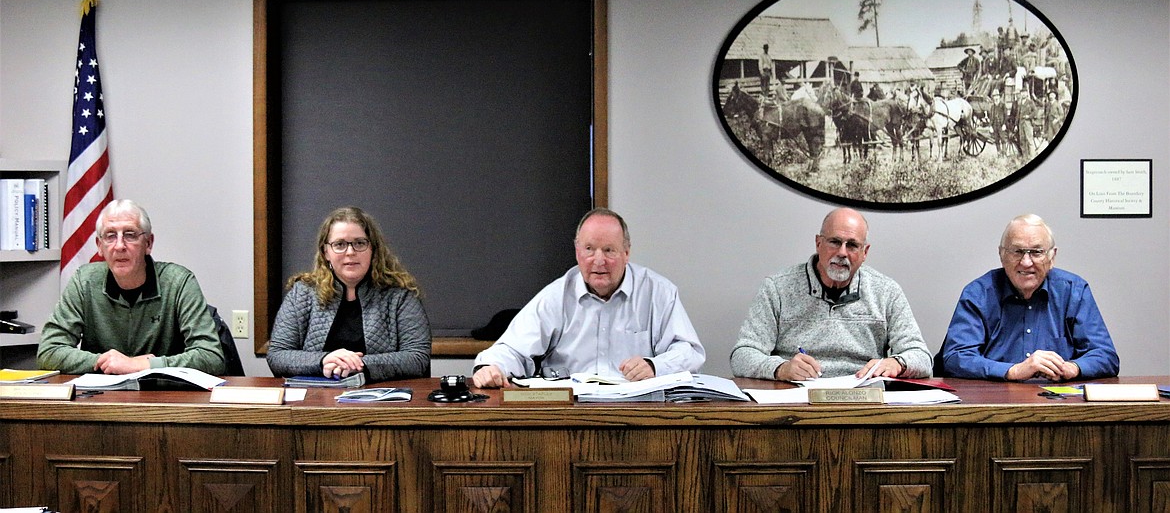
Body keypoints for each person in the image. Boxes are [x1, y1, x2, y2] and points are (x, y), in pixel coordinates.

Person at [471, 207, 705, 388]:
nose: (598, 260)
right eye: (589, 249)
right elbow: (511, 349)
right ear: (577, 252)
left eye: (609, 250)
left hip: (638, 414)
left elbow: (690, 352)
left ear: (626, 253)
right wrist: (491, 367)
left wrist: (655, 366)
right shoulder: (557, 295)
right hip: (571, 416)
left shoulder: (658, 293)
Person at [730, 207, 932, 381]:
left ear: (865, 252)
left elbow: (922, 358)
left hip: (863, 401)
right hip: (795, 401)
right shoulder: (778, 288)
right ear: (818, 243)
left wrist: (897, 363)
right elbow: (742, 355)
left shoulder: (886, 291)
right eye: (835, 242)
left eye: (852, 245)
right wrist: (780, 369)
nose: (842, 252)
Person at [37, 200, 225, 375]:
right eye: (110, 236)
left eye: (130, 234)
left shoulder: (179, 282)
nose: (119, 246)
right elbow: (49, 351)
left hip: (165, 399)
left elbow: (211, 356)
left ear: (148, 243)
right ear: (99, 246)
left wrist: (143, 365)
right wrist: (109, 363)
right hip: (102, 399)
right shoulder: (84, 281)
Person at [938, 214, 1119, 381]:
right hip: (995, 405)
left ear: (1052, 256)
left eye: (1036, 252)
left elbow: (1105, 355)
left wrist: (1073, 368)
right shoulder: (979, 294)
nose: (1026, 262)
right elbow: (955, 358)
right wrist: (1013, 371)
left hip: (1059, 405)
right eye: (1017, 251)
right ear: (1002, 255)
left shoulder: (1074, 291)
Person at [267, 206, 431, 381]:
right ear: (326, 253)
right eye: (340, 244)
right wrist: (323, 360)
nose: (350, 252)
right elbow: (277, 355)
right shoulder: (303, 293)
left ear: (373, 250)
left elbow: (417, 357)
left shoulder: (400, 294)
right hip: (315, 399)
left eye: (359, 243)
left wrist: (358, 364)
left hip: (382, 401)